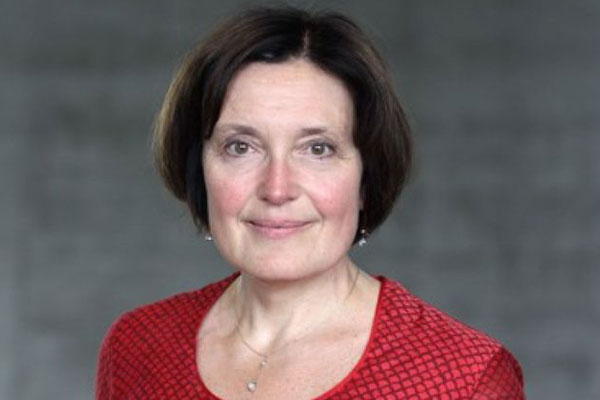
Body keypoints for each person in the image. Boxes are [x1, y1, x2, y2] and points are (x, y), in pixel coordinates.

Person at [96, 6, 525, 399]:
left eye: (317, 149)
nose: (277, 188)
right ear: (200, 169)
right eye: (241, 147)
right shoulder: (138, 347)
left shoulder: (465, 379)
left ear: (366, 177)